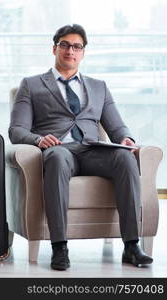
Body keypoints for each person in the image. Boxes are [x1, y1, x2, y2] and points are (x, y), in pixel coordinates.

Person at [9, 24, 153, 270]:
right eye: (64, 45)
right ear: (54, 48)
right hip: (59, 150)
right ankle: (59, 247)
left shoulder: (99, 87)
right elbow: (16, 130)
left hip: (92, 149)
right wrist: (38, 140)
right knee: (56, 158)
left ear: (83, 52)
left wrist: (127, 139)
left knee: (126, 158)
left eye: (77, 46)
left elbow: (117, 127)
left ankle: (131, 246)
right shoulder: (31, 85)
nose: (70, 51)